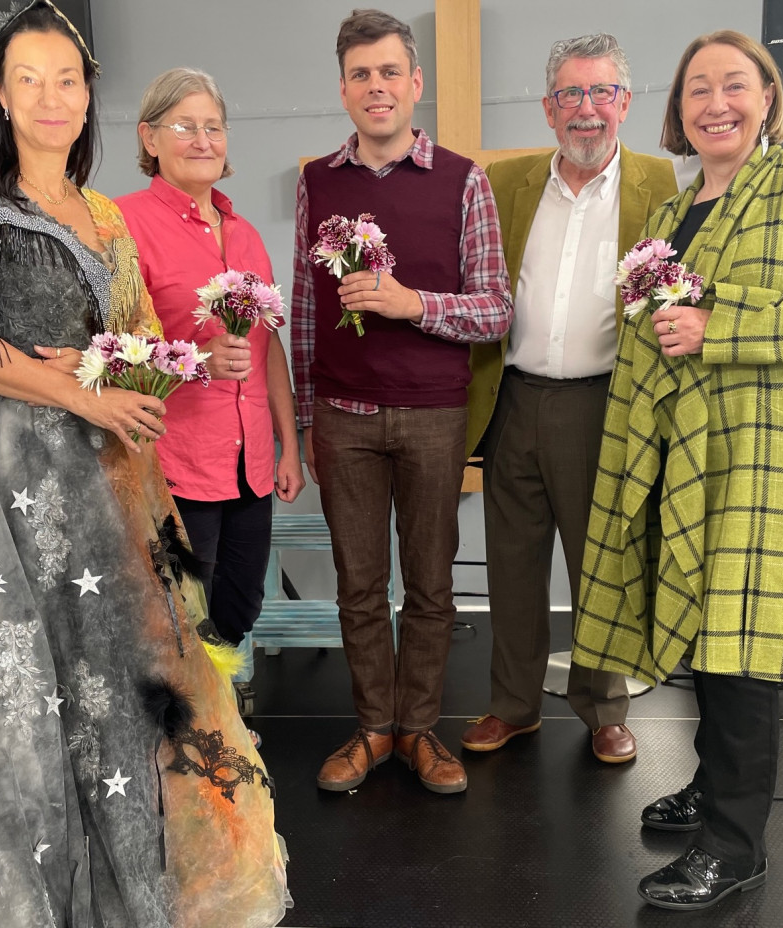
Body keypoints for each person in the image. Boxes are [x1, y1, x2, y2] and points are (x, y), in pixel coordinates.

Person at [0, 3, 290, 925]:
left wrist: (175, 359)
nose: (49, 97)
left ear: (88, 92)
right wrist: (83, 389)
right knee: (17, 699)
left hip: (104, 482)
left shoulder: (104, 211)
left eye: (66, 78)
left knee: (116, 687)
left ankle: (125, 882)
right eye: (28, 79)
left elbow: (140, 339)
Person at [571, 29, 783, 910]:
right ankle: (714, 787)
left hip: (763, 457)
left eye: (735, 85)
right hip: (679, 451)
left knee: (743, 655)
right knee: (706, 641)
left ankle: (735, 846)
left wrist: (723, 325)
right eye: (698, 88)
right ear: (677, 112)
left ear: (769, 98)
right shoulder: (671, 218)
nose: (716, 102)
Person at [291, 8, 512, 795]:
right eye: (361, 74)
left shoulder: (463, 179)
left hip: (432, 415)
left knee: (430, 584)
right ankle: (374, 729)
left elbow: (495, 309)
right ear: (345, 89)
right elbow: (309, 311)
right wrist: (306, 422)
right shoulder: (317, 181)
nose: (376, 86)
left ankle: (420, 730)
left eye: (390, 72)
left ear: (415, 84)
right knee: (358, 584)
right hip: (344, 419)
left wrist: (410, 303)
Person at [462, 34, 677, 764]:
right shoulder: (507, 181)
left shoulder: (660, 184)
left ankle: (604, 709)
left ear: (624, 103)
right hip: (513, 398)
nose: (587, 110)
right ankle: (513, 706)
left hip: (604, 405)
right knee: (512, 568)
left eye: (601, 93)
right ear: (549, 109)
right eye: (571, 95)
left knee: (602, 567)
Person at [117, 69, 304, 661]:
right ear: (149, 139)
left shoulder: (246, 234)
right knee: (176, 613)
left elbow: (267, 348)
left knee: (240, 603)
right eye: (185, 126)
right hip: (175, 458)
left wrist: (289, 444)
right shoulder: (122, 226)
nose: (203, 140)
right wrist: (198, 360)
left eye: (214, 127)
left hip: (250, 461)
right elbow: (107, 352)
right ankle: (198, 736)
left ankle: (215, 713)